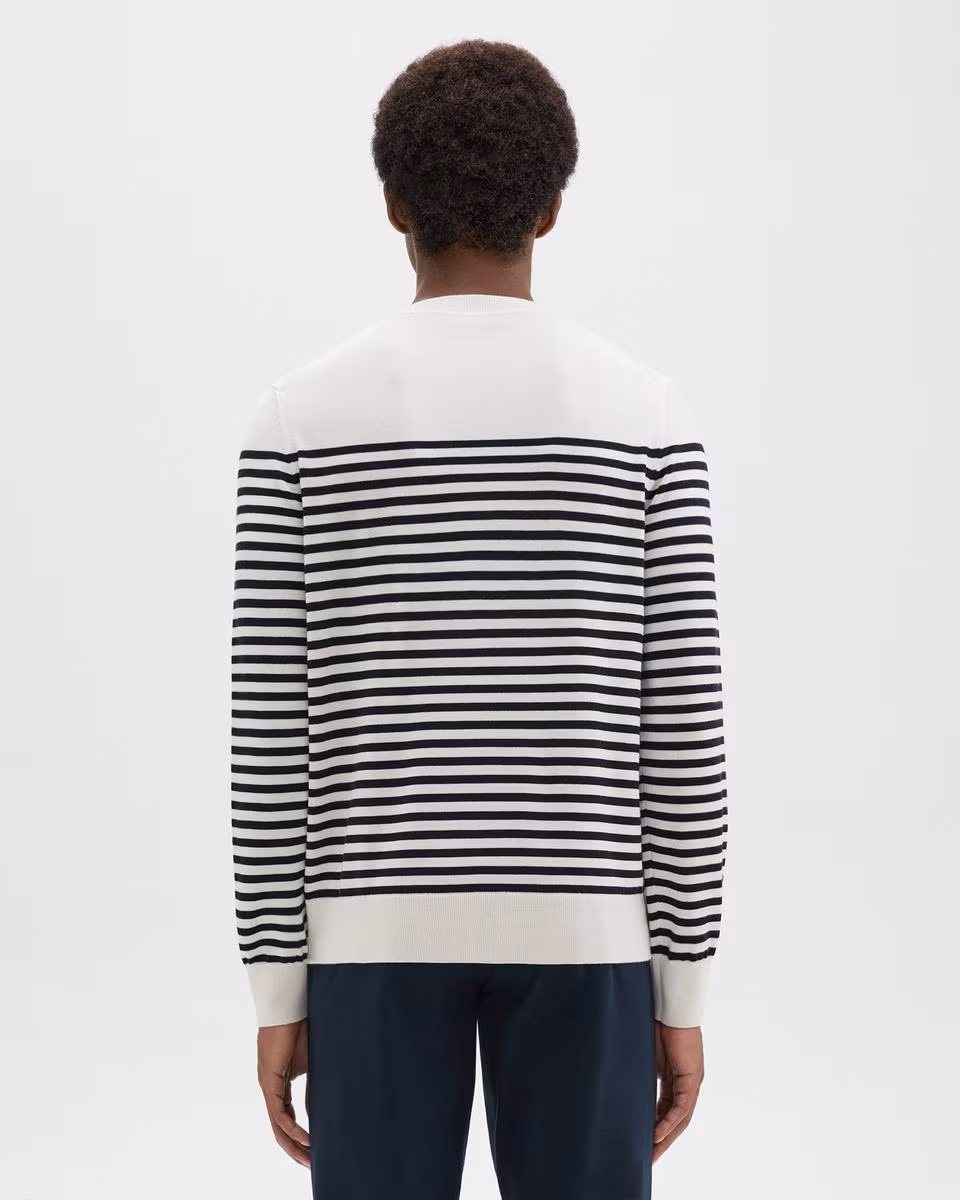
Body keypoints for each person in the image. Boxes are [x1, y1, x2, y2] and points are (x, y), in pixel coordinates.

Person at [230, 37, 728, 1200]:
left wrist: (277, 986)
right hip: (589, 934)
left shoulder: (297, 422)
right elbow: (683, 736)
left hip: (371, 940)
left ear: (393, 203)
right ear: (551, 210)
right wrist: (683, 987)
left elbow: (271, 734)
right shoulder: (647, 417)